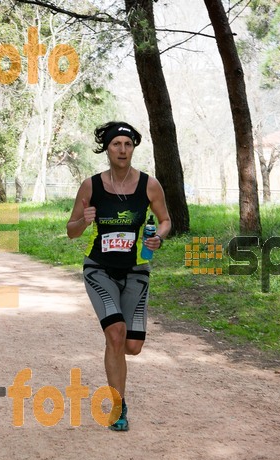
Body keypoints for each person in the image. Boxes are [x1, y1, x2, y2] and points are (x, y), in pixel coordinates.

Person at [67, 122, 171, 431]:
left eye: (127, 144)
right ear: (107, 149)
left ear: (133, 148)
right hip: (99, 269)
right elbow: (71, 231)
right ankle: (117, 405)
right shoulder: (91, 186)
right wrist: (83, 222)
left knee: (132, 345)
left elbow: (165, 220)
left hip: (136, 270)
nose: (122, 149)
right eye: (116, 144)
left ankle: (117, 366)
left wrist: (158, 237)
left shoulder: (149, 185)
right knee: (115, 333)